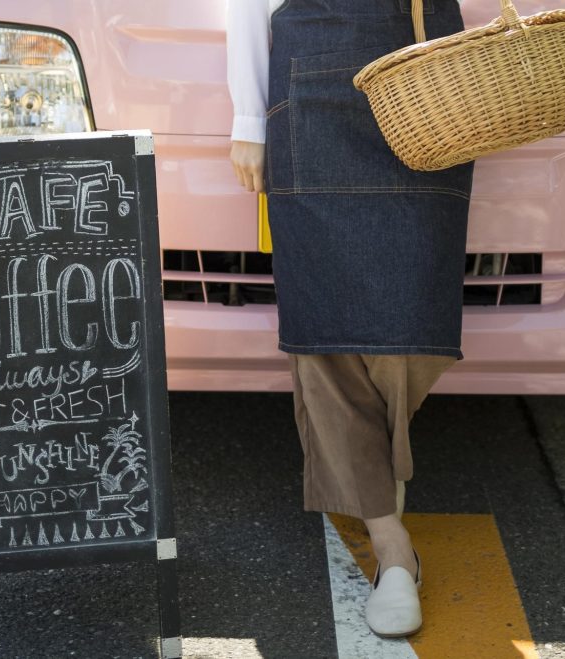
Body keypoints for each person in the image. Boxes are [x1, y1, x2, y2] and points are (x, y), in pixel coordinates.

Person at [226, 0, 474, 638]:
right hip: (310, 73)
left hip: (429, 66)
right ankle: (393, 551)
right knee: (326, 333)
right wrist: (249, 117)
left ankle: (372, 477)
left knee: (412, 325)